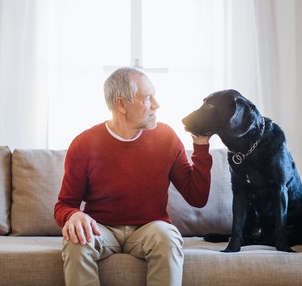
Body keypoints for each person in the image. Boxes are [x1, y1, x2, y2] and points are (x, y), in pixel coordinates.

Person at [54, 67, 212, 286]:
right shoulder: (83, 144)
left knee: (168, 237)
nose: (156, 105)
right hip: (102, 228)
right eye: (147, 98)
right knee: (75, 241)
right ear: (121, 104)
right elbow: (64, 204)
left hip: (150, 228)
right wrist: (73, 215)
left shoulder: (166, 137)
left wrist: (201, 146)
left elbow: (197, 197)